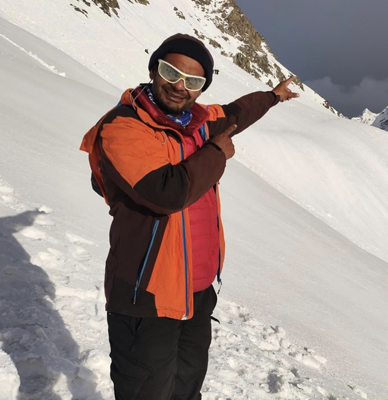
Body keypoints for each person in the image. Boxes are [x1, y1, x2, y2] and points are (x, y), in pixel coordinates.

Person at [79, 33, 299, 399]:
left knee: (186, 389)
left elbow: (236, 114)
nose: (180, 87)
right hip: (145, 297)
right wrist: (216, 152)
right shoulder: (124, 127)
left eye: (194, 81)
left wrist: (272, 97)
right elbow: (167, 192)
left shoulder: (195, 122)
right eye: (171, 72)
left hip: (196, 292)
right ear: (154, 69)